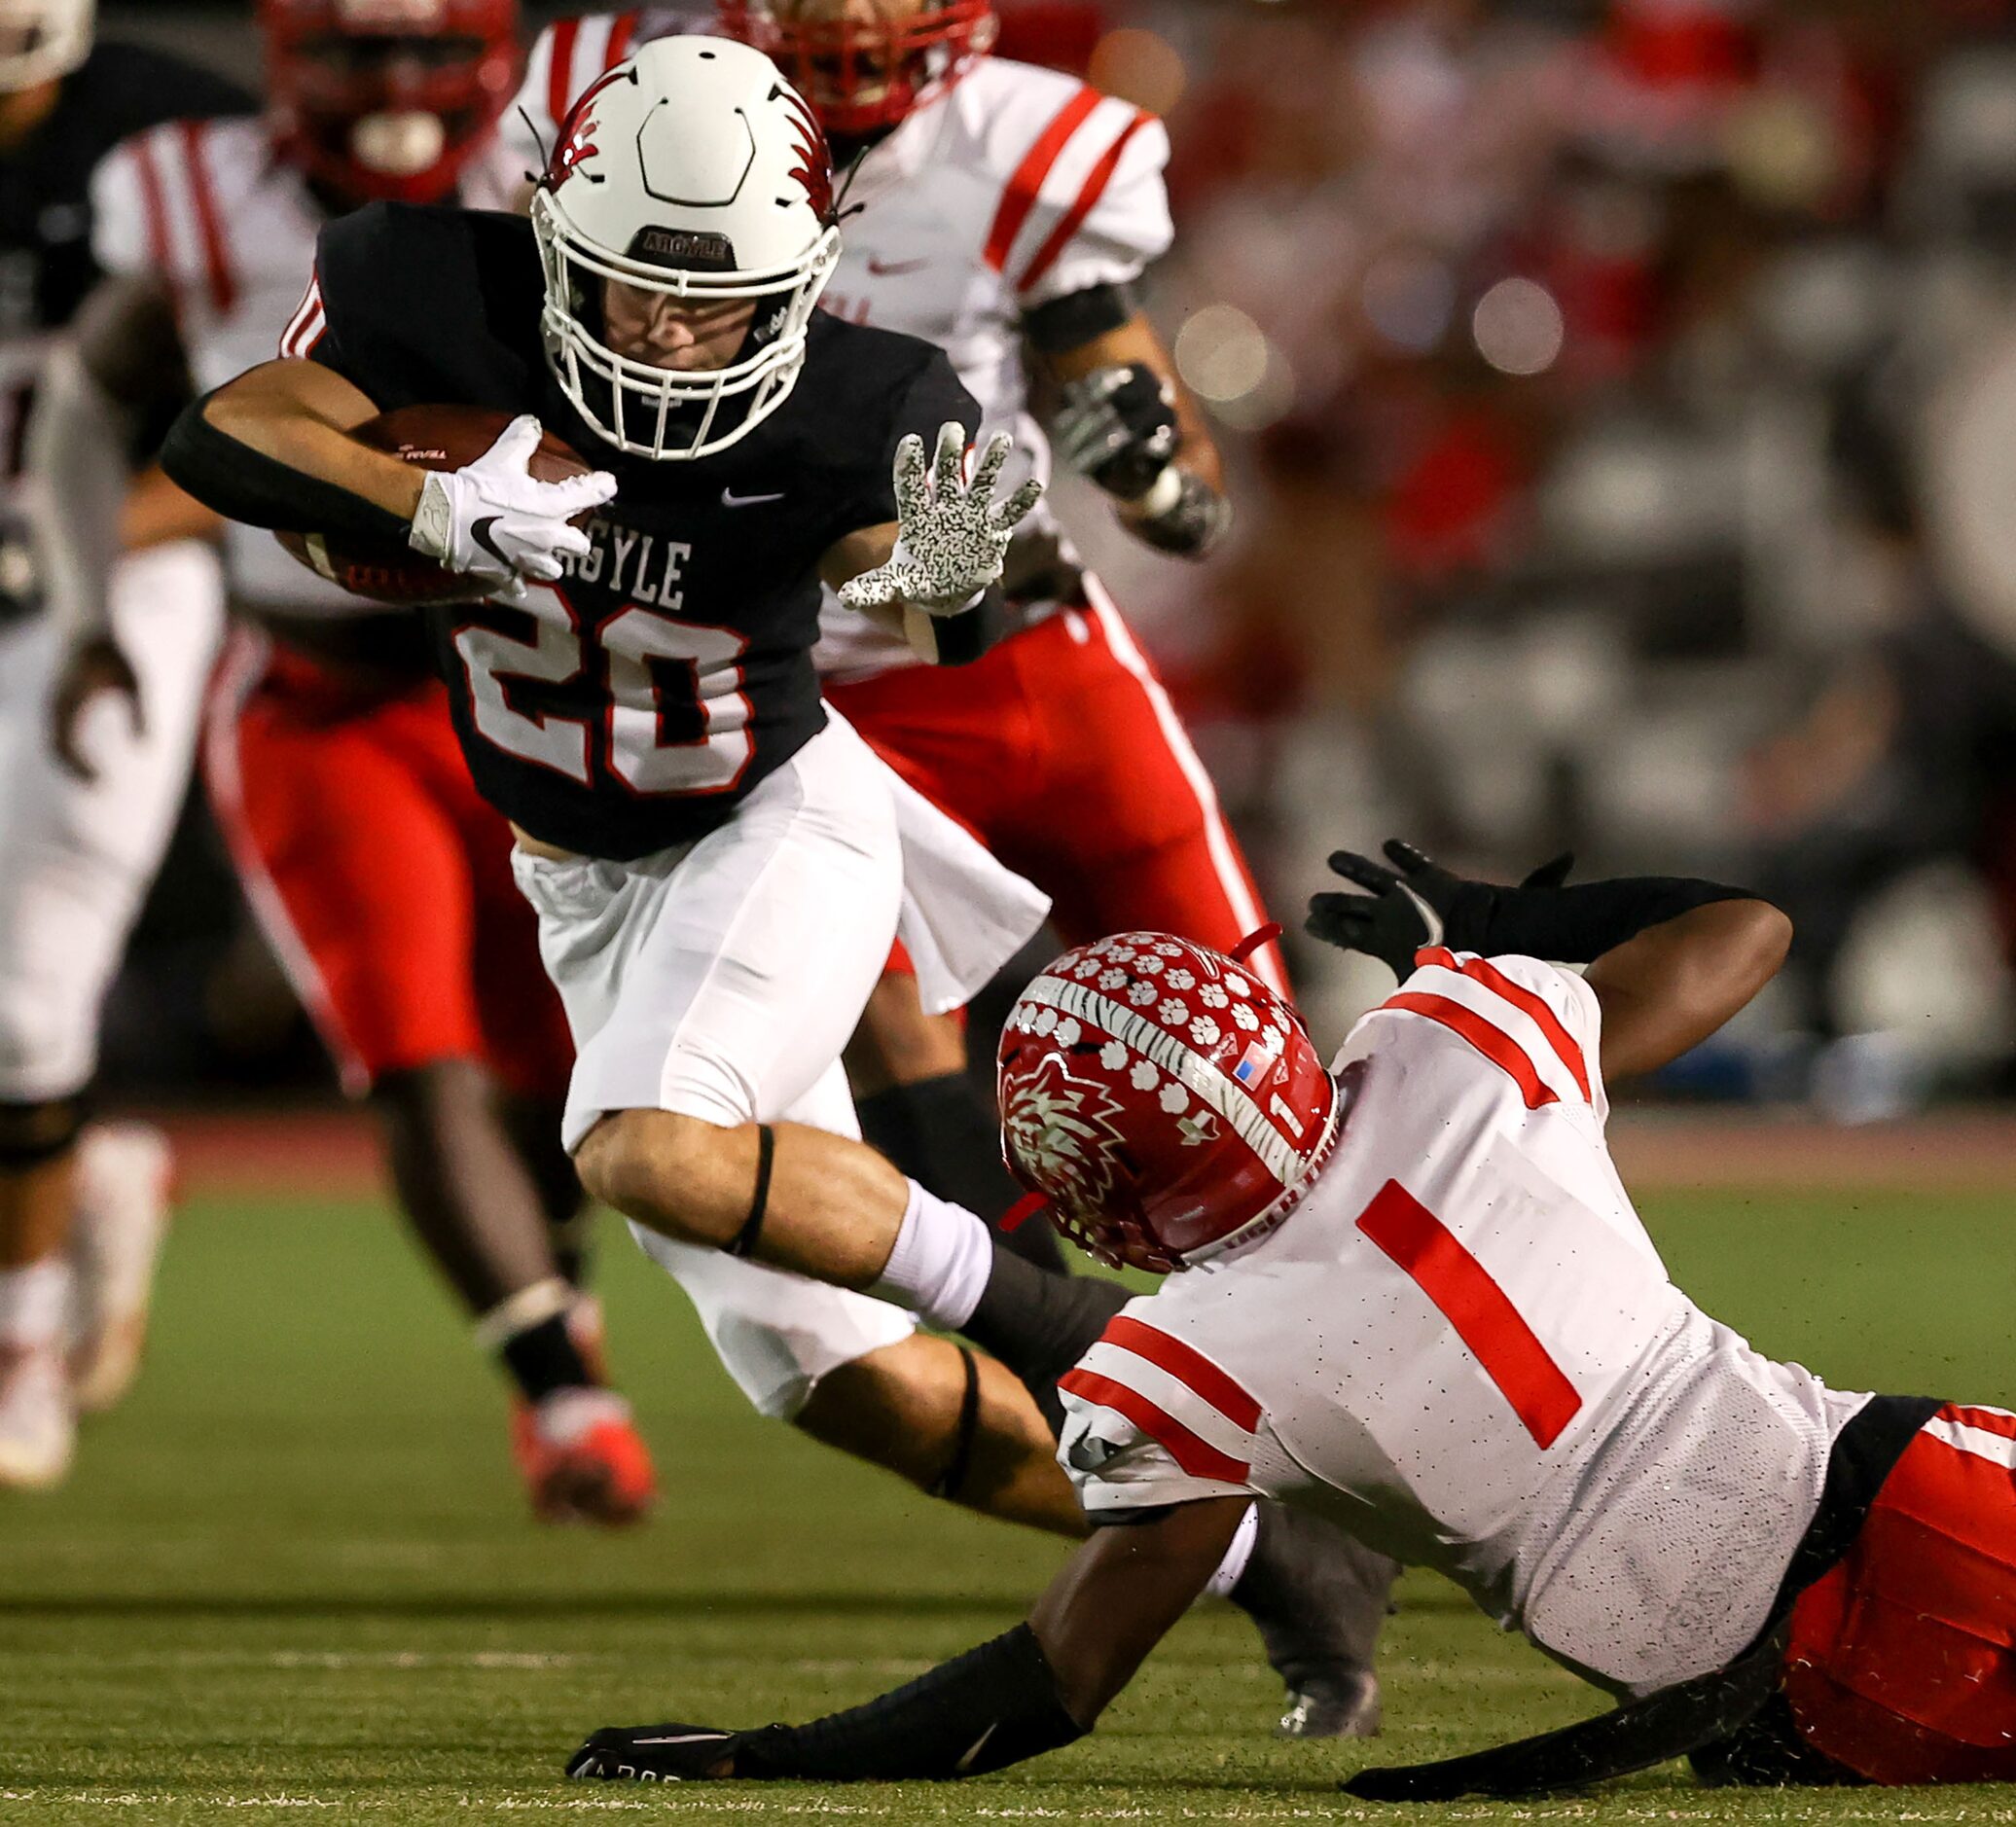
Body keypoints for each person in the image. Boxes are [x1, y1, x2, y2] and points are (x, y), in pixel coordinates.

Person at [162, 35, 1393, 1737]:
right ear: (549, 229)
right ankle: (1264, 1547)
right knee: (829, 1378)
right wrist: (428, 503)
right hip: (582, 881)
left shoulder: (871, 397)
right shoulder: (424, 283)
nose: (672, 332)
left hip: (770, 826)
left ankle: (1079, 1329)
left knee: (642, 1143)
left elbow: (934, 584)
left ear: (805, 275)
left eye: (720, 301)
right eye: (630, 291)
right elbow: (228, 429)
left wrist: (952, 562)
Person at [566, 843, 2016, 1794]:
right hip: (1900, 1486)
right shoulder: (1450, 1043)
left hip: (1769, 1715)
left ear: (1112, 1197)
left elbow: (1048, 1686)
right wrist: (1505, 925)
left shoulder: (1186, 1361)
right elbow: (1744, 926)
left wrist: (763, 1759)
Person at [509, 0, 1282, 1263]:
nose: (856, 15)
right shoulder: (616, 95)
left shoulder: (1023, 148)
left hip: (1016, 630)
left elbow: (1166, 461)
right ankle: (1059, 1377)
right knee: (895, 1025)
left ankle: (1309, 1326)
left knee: (1243, 1027)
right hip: (800, 677)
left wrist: (1155, 471)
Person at [32, 0, 666, 1527]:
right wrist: (79, 612)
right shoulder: (189, 190)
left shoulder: (548, 193)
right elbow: (93, 408)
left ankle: (555, 1313)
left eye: (421, 50)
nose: (395, 88)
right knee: (412, 1047)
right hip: (312, 692)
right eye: (358, 53)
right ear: (290, 58)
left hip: (517, 677)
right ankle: (563, 1400)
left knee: (554, 1064)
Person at [0, 0, 252, 1488]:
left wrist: (61, 552)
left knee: (29, 998)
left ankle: (19, 1341)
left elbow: (282, 430)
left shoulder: (170, 146)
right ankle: (77, 1172)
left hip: (111, 582)